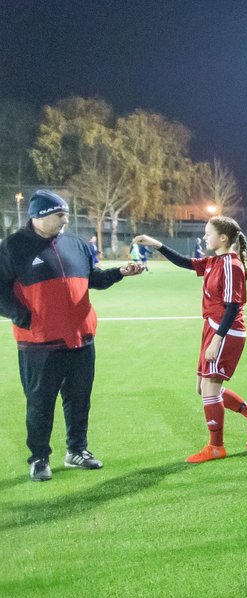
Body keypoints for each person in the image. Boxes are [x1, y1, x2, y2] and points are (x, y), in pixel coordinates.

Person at [0, 189, 144, 481]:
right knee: (40, 404)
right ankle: (39, 458)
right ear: (39, 216)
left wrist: (119, 273)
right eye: (59, 214)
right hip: (39, 343)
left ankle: (77, 451)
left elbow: (93, 279)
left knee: (79, 400)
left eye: (65, 214)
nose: (65, 219)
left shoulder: (77, 245)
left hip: (82, 339)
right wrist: (21, 315)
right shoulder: (12, 247)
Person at [133, 217, 247, 463]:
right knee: (203, 388)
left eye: (208, 234)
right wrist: (157, 245)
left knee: (209, 388)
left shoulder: (231, 264)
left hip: (226, 332)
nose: (205, 238)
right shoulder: (213, 261)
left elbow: (233, 305)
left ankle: (216, 446)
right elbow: (186, 263)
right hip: (213, 328)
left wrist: (217, 339)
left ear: (223, 238)